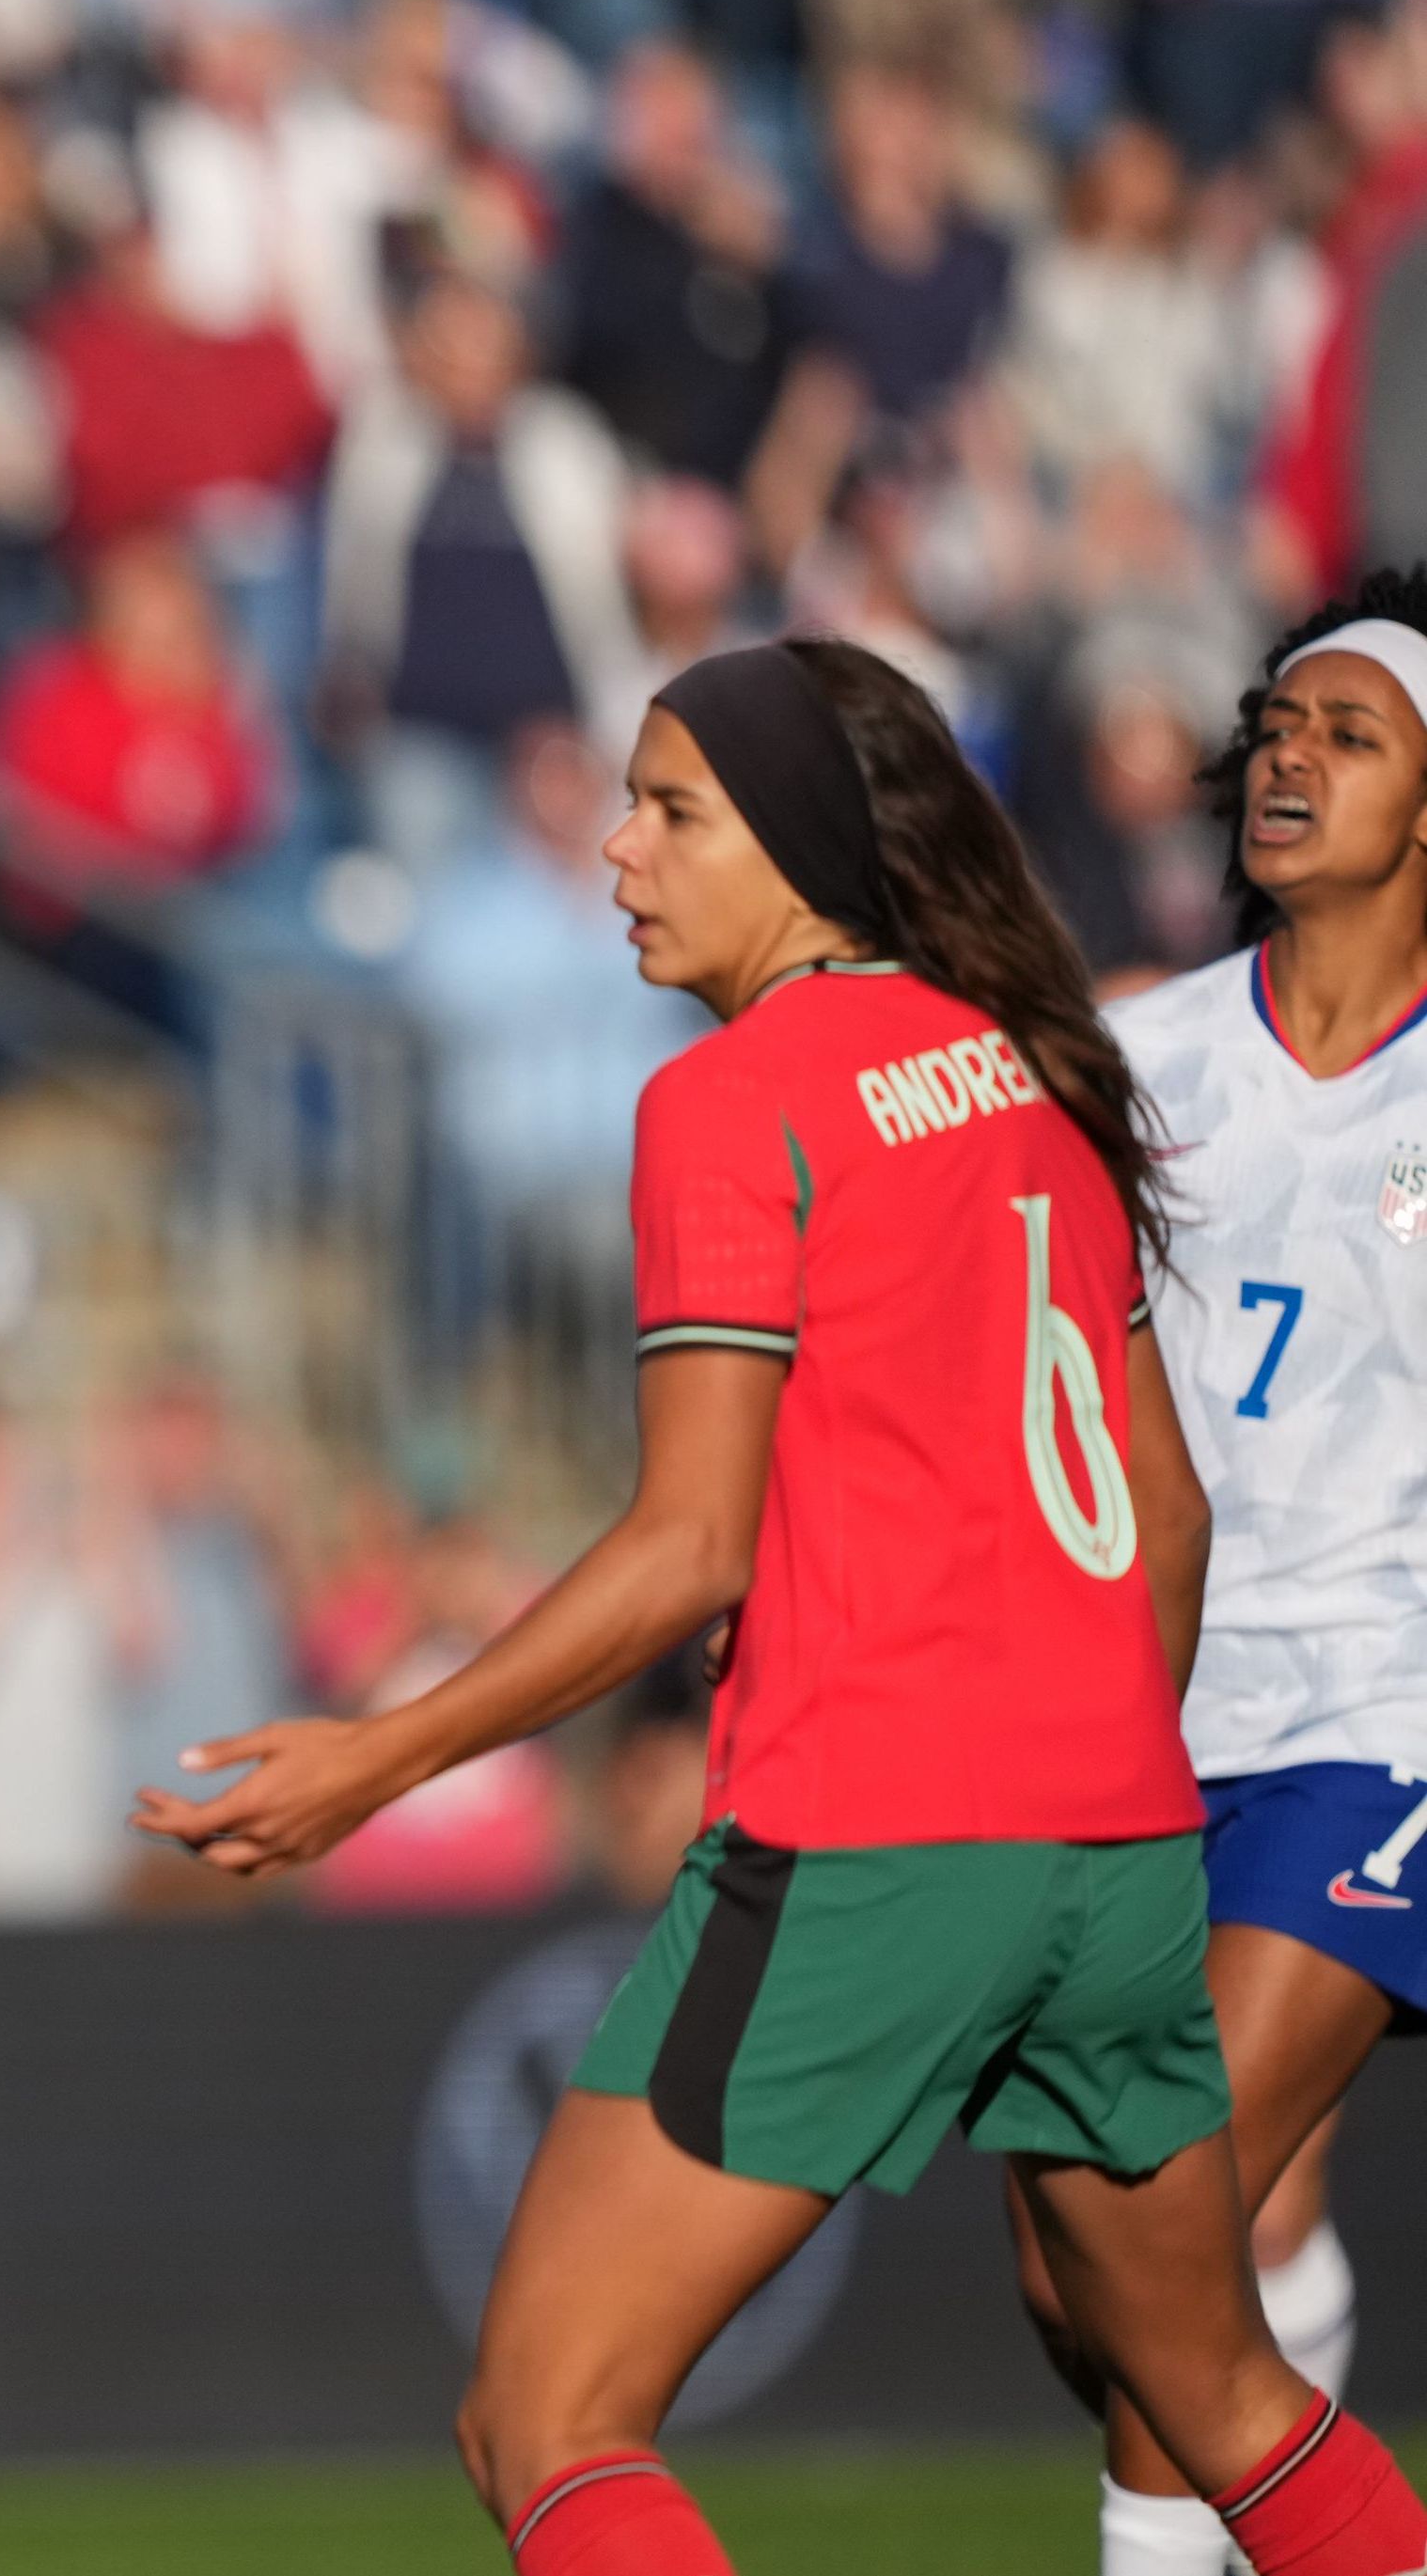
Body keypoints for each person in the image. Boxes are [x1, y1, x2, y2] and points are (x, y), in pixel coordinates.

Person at [134, 636, 1427, 2576]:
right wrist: (1091, 1796)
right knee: (1227, 2397)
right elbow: (1158, 1522)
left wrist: (373, 1759)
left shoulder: (736, 1102)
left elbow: (686, 1548)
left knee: (546, 2418)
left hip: (880, 1826)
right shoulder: (1048, 1076)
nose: (617, 848)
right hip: (1121, 1829)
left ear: (801, 848)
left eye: (672, 809)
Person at [1052, 583, 1427, 2576]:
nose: (1286, 753)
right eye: (1274, 723)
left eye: (1349, 732)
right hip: (1137, 1715)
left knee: (1154, 2198)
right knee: (1102, 2261)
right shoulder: (1133, 1054)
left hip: (1379, 1722)